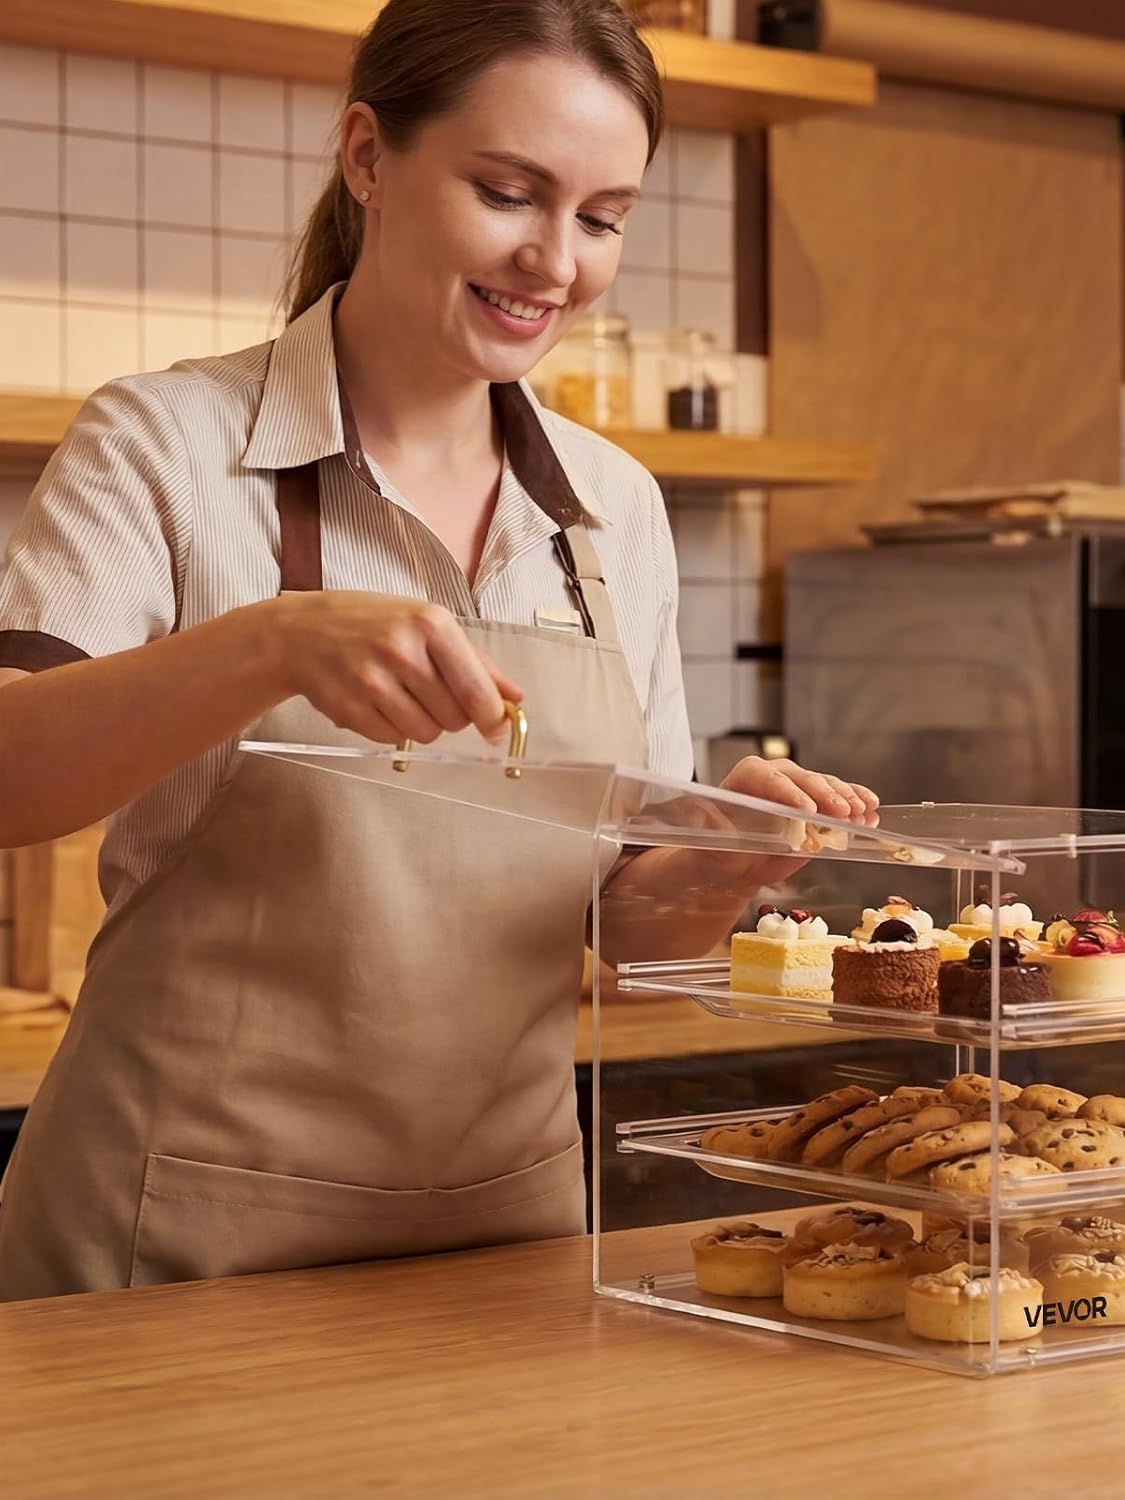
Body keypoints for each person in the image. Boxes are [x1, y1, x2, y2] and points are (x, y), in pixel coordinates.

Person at [0, 0, 875, 1300]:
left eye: (602, 215)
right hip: (172, 1238)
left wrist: (726, 857)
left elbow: (625, 931)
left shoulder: (610, 509)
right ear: (368, 157)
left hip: (499, 1248)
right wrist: (275, 644)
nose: (555, 260)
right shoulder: (168, 446)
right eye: (509, 193)